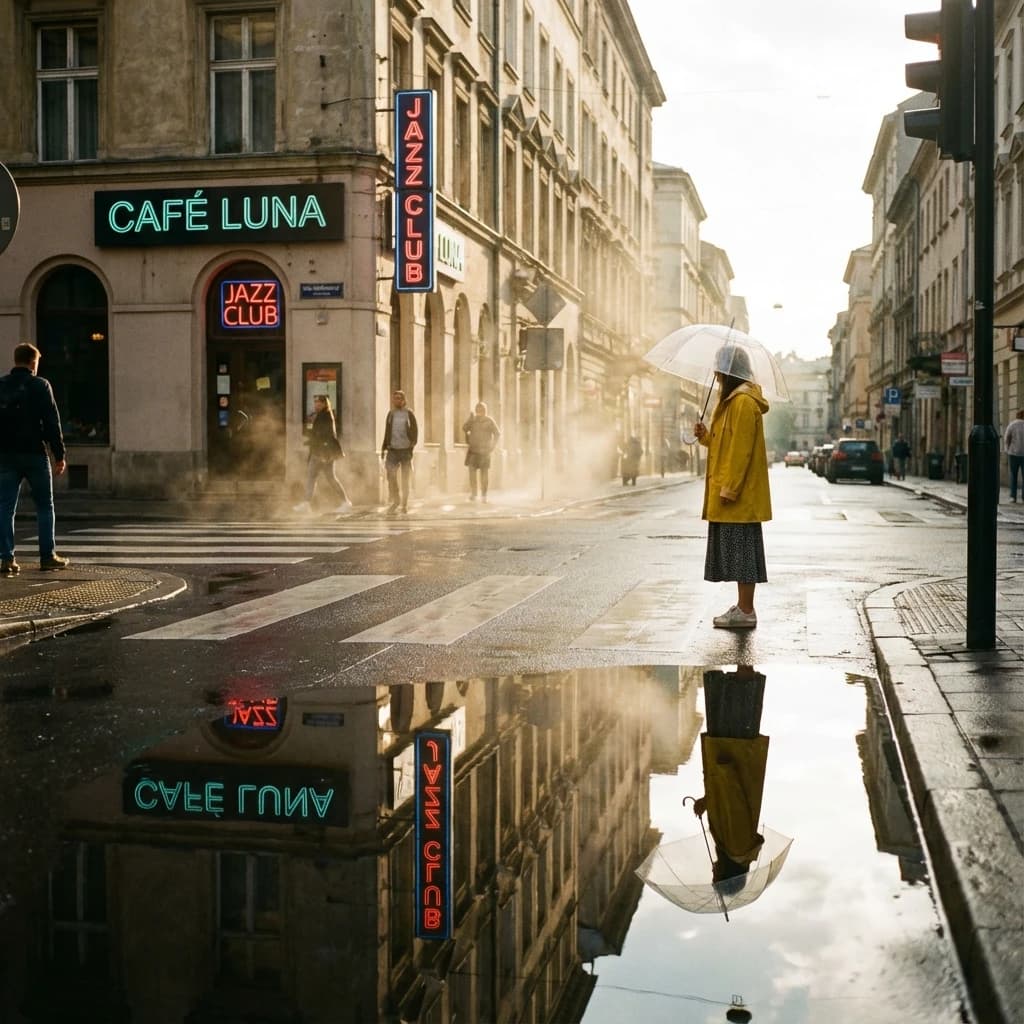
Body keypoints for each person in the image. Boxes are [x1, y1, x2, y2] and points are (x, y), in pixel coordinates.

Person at [692, 344, 771, 629]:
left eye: (718, 367)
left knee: (743, 553)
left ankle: (747, 610)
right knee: (739, 553)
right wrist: (705, 437)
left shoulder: (743, 403)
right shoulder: (731, 403)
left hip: (739, 496)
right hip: (733, 492)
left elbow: (741, 452)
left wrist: (730, 488)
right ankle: (743, 606)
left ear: (728, 371)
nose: (715, 373)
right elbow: (724, 444)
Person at [690, 667, 769, 889]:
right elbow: (734, 801)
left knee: (729, 692)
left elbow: (725, 805)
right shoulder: (737, 848)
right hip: (733, 751)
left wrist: (708, 800)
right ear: (726, 875)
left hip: (732, 752)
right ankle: (743, 649)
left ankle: (739, 650)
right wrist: (721, 772)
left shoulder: (732, 850)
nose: (713, 871)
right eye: (715, 877)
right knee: (738, 695)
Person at [0, 343, 70, 574]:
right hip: (34, 453)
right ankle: (47, 556)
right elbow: (52, 422)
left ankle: (6, 559)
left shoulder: (1, 385)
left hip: (6, 455)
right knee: (44, 506)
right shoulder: (41, 385)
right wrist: (59, 455)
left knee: (5, 507)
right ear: (33, 362)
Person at [293, 394, 352, 515]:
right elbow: (320, 435)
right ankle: (345, 502)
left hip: (321, 453)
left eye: (319, 402)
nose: (316, 404)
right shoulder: (322, 415)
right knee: (327, 478)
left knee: (312, 477)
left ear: (325, 404)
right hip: (322, 452)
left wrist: (323, 451)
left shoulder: (325, 416)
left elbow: (327, 435)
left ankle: (307, 503)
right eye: (315, 402)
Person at [381, 389, 418, 514]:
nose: (396, 400)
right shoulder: (391, 414)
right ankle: (396, 500)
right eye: (394, 398)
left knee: (405, 478)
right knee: (390, 475)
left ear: (403, 400)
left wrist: (411, 445)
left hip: (405, 450)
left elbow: (415, 431)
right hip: (393, 449)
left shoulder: (409, 413)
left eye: (398, 398)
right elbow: (387, 431)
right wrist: (384, 446)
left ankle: (404, 504)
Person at [462, 402, 501, 502]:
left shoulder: (489, 421)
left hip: (485, 452)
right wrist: (469, 419)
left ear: (485, 411)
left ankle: (484, 495)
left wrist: (492, 446)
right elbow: (464, 428)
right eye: (478, 410)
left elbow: (497, 433)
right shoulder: (473, 420)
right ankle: (474, 494)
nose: (479, 412)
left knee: (484, 474)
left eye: (481, 410)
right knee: (472, 473)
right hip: (473, 451)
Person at [1004, 409, 1024, 502]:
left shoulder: (1012, 425)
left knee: (1013, 475)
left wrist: (1007, 449)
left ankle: (1013, 496)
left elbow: (1007, 437)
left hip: (1013, 453)